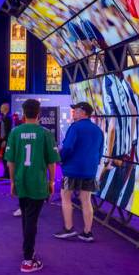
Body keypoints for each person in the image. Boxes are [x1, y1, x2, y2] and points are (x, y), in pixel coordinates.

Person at [5, 99, 59, 273]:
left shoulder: (15, 132)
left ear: (23, 113)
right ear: (38, 113)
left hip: (21, 181)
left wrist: (12, 181)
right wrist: (51, 182)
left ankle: (27, 250)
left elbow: (10, 162)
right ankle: (28, 259)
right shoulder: (45, 133)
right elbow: (52, 163)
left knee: (26, 217)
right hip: (37, 183)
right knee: (31, 220)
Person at [54, 102, 104, 242]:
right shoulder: (98, 130)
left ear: (83, 112)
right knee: (86, 200)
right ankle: (87, 233)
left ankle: (69, 229)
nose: (73, 113)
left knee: (66, 197)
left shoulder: (75, 127)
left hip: (72, 169)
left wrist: (61, 159)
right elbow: (100, 152)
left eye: (75, 110)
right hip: (90, 170)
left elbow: (68, 147)